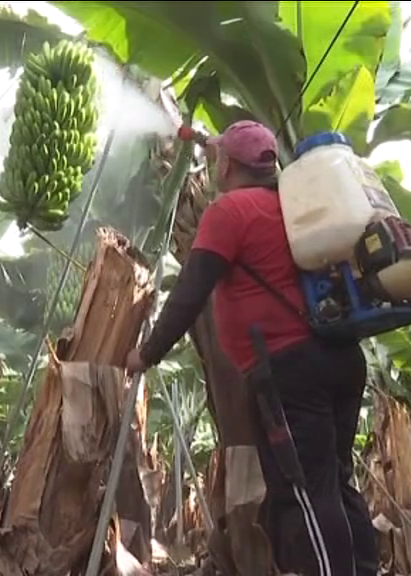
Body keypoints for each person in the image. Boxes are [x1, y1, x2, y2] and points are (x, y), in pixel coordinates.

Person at [124, 120, 378, 576]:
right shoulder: (297, 206)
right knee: (335, 481)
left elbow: (191, 290)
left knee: (306, 489)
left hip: (289, 367)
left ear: (227, 167)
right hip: (340, 355)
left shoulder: (230, 211)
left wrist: (148, 352)